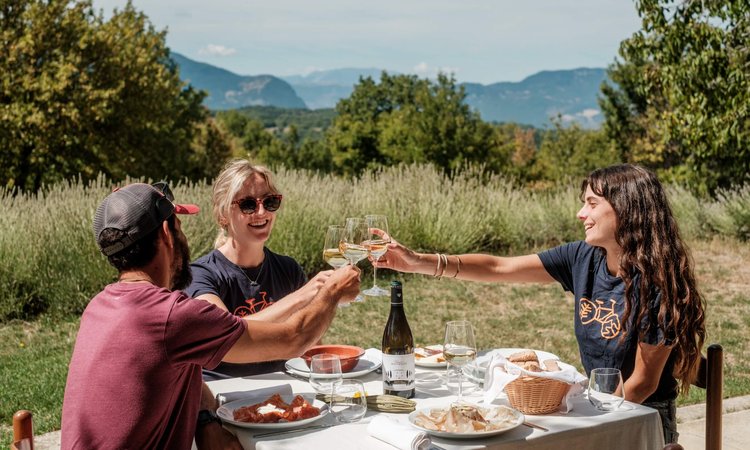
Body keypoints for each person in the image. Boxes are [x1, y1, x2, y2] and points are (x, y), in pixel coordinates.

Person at [373, 163, 705, 444]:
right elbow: (499, 267)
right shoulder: (582, 258)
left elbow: (642, 385)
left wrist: (588, 427)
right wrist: (417, 262)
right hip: (596, 407)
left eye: (591, 203)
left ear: (626, 208)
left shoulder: (659, 285)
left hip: (641, 420)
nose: (581, 213)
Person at [61, 182, 360, 449]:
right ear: (168, 233)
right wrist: (331, 291)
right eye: (180, 226)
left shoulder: (98, 306)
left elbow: (185, 369)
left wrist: (205, 420)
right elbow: (295, 339)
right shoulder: (172, 316)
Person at [186, 160, 328, 379]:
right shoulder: (200, 274)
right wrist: (300, 298)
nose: (261, 212)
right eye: (248, 205)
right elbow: (224, 336)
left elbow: (311, 349)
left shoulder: (288, 269)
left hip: (283, 396)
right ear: (223, 214)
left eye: (270, 202)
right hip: (222, 398)